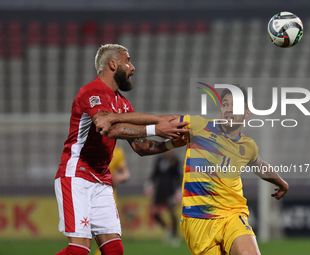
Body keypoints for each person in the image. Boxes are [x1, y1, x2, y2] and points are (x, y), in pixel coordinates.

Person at [95, 84, 289, 255]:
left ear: (247, 112)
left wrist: (281, 183)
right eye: (225, 104)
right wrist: (114, 117)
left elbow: (260, 165)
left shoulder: (248, 146)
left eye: (235, 105)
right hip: (197, 221)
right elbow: (160, 120)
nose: (229, 109)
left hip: (232, 214)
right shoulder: (198, 127)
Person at [54, 44, 189, 255]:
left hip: (102, 180)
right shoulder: (91, 92)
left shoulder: (123, 104)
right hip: (77, 175)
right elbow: (108, 128)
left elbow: (141, 146)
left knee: (115, 250)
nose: (133, 67)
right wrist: (157, 126)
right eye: (128, 61)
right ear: (113, 64)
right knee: (78, 250)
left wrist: (170, 144)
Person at [147, 150, 182, 245]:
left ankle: (175, 236)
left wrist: (179, 190)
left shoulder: (175, 160)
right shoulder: (159, 159)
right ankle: (168, 230)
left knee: (172, 212)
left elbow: (179, 176)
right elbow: (155, 173)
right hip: (160, 190)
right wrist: (149, 184)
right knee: (155, 213)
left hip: (170, 190)